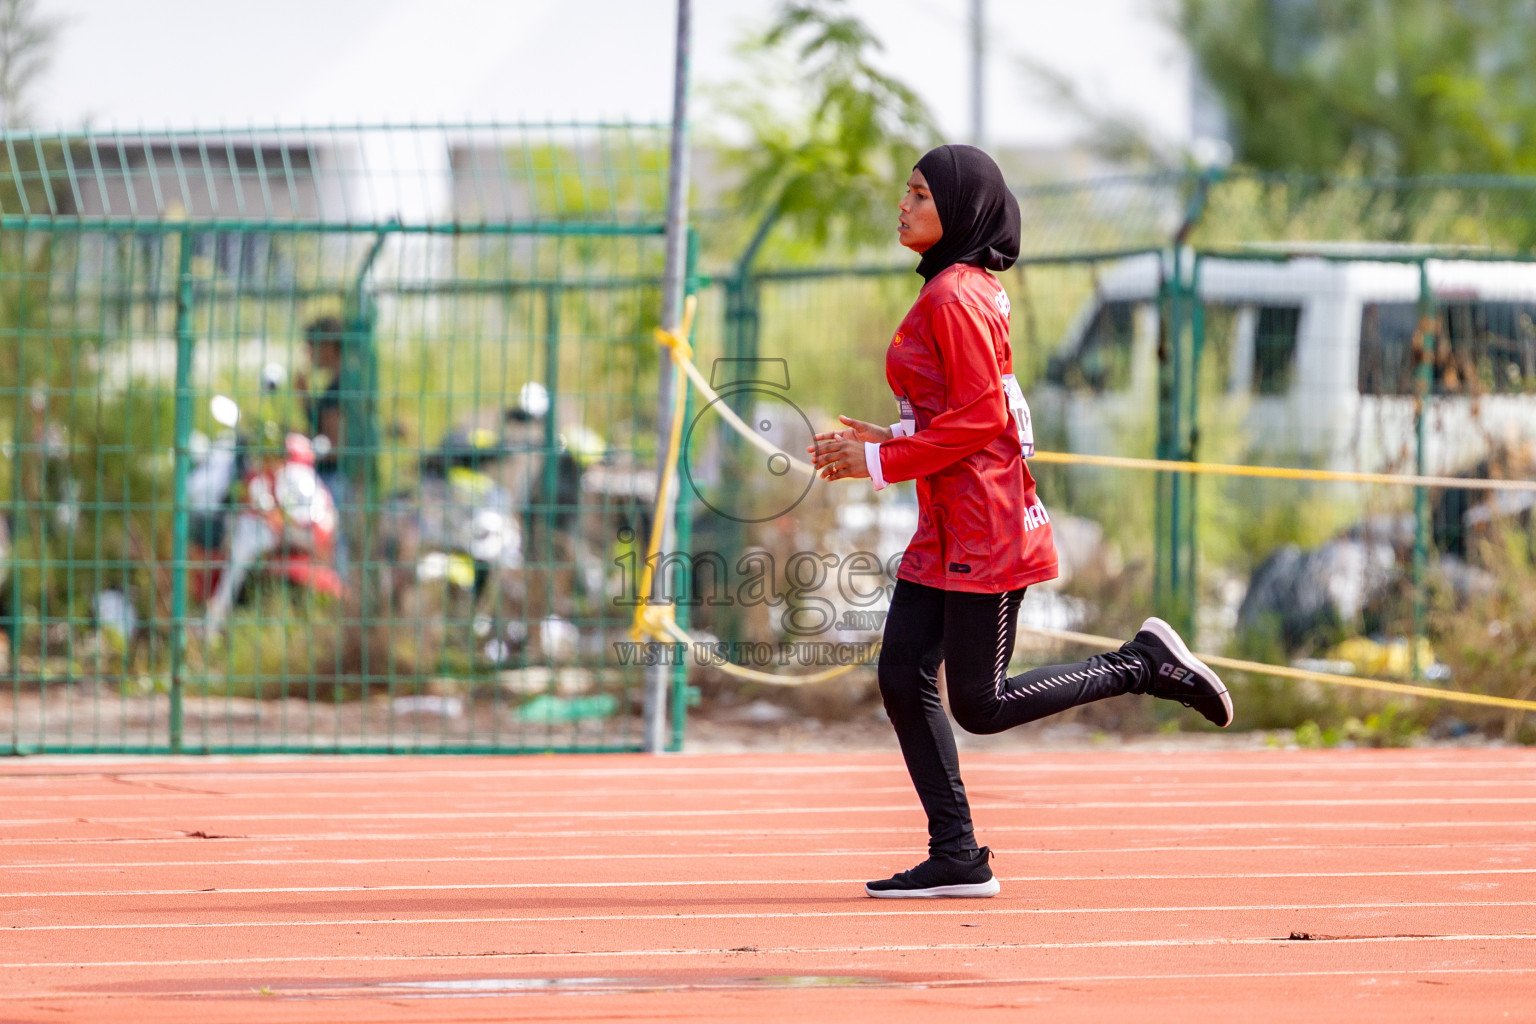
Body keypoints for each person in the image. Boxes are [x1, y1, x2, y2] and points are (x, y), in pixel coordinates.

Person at [808, 145, 1233, 900]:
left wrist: (877, 466)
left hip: (986, 526)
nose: (903, 207)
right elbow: (962, 415)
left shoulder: (956, 296)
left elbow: (981, 421)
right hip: (946, 524)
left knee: (982, 703)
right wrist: (888, 442)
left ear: (960, 212)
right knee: (904, 676)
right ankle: (958, 854)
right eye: (905, 192)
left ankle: (1141, 663)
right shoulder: (955, 289)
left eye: (920, 196)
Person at [295, 315, 352, 580]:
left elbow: (334, 445)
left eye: (312, 346)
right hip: (339, 479)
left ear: (329, 346)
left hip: (335, 481)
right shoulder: (345, 382)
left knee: (335, 551)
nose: (308, 354)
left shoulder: (339, 389)